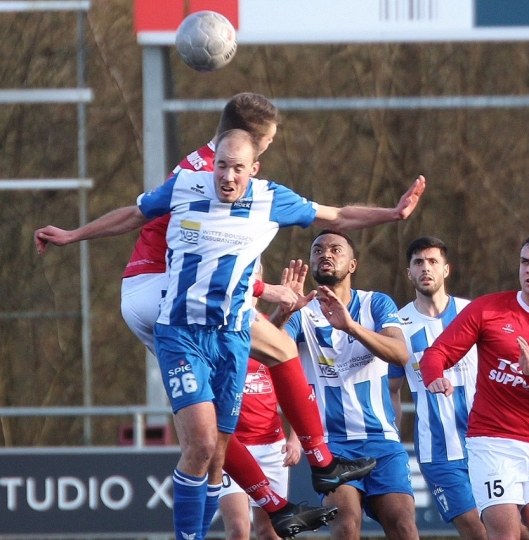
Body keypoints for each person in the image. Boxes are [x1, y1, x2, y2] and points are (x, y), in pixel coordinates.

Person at [33, 130, 426, 540]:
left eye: (238, 168)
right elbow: (133, 215)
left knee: (220, 445)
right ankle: (229, 518)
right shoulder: (186, 184)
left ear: (253, 169)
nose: (228, 176)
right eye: (221, 165)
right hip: (181, 334)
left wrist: (392, 214)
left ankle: (306, 480)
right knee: (201, 446)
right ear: (212, 163)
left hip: (232, 339)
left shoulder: (269, 197)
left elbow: (338, 216)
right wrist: (73, 235)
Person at [420, 233, 529, 540]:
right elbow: (436, 353)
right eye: (525, 262)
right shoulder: (489, 309)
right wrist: (434, 375)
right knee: (505, 533)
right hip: (492, 444)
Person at [280, 230, 420, 540]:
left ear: (352, 264)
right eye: (317, 250)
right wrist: (281, 312)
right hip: (331, 444)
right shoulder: (302, 313)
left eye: (334, 249)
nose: (325, 255)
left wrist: (351, 327)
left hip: (381, 440)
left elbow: (399, 352)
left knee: (404, 526)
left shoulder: (376, 304)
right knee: (346, 524)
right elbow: (268, 350)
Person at [388, 236, 486, 539]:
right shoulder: (398, 325)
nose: (425, 268)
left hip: (488, 441)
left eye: (432, 262)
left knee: (513, 530)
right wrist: (393, 441)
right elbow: (393, 389)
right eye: (418, 263)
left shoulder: (474, 313)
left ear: (446, 269)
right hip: (438, 451)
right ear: (409, 273)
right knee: (476, 531)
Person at [219, 262, 304, 540]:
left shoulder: (273, 332)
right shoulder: (218, 324)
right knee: (238, 529)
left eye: (254, 271)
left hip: (271, 447)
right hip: (233, 445)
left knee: (271, 530)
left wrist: (295, 437)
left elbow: (294, 389)